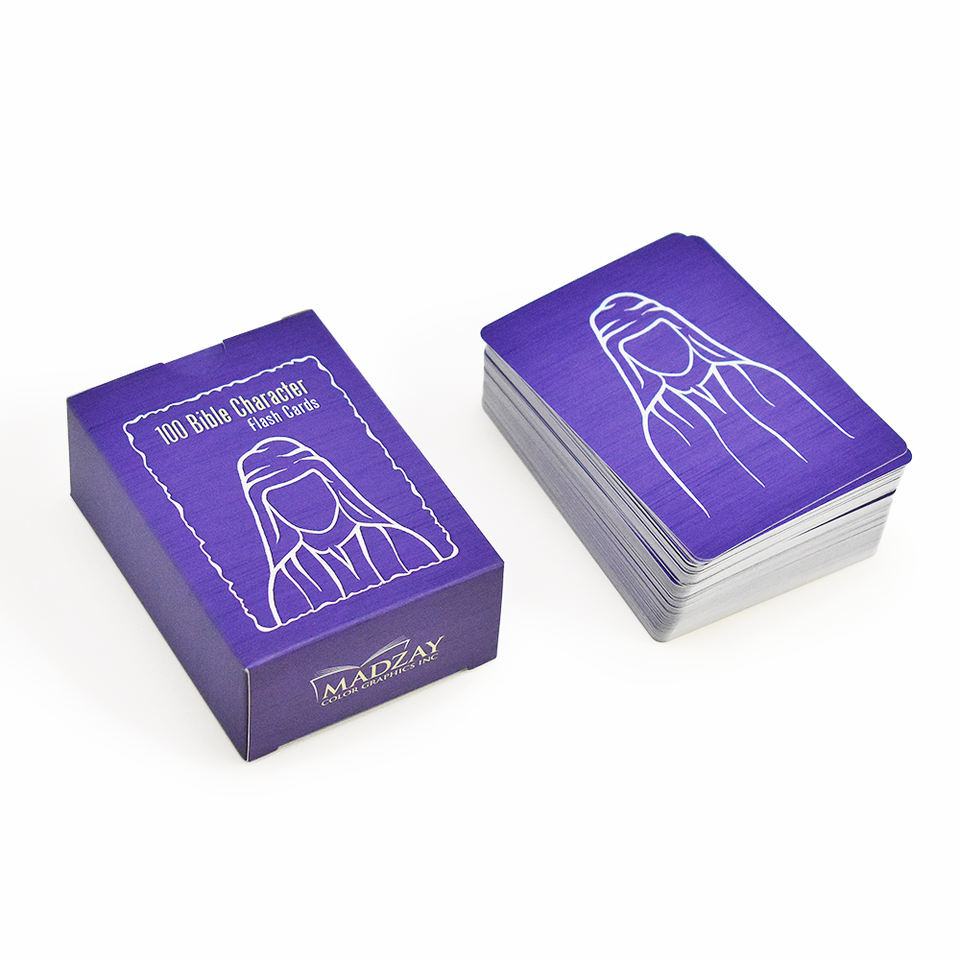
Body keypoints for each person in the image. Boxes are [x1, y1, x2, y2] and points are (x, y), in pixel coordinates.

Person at [590, 292, 854, 517]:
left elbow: (833, 442)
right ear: (632, 362)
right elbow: (712, 503)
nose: (660, 354)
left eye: (663, 337)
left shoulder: (752, 375)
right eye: (639, 349)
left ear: (682, 332)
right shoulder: (662, 422)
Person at [238, 436, 446, 627]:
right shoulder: (287, 580)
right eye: (283, 499)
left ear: (331, 484)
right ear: (272, 513)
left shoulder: (398, 539)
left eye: (309, 487)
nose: (304, 504)